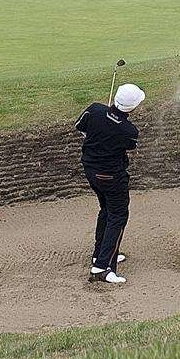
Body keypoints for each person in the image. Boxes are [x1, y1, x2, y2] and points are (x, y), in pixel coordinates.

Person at [75, 82, 144, 284]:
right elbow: (130, 146)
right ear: (131, 108)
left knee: (106, 210)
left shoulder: (95, 110)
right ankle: (102, 268)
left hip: (91, 171)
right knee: (118, 216)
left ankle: (100, 254)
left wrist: (97, 129)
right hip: (112, 178)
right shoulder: (129, 130)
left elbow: (80, 126)